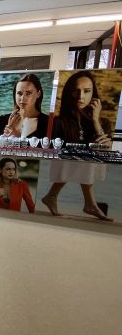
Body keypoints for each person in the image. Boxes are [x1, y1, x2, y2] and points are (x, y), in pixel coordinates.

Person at [41, 70, 113, 221]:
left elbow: (104, 147)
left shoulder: (103, 122)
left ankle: (53, 196)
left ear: (93, 95)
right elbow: (53, 147)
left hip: (85, 160)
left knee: (88, 153)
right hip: (63, 161)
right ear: (70, 93)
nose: (81, 96)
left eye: (87, 91)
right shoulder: (59, 122)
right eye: (76, 91)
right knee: (82, 154)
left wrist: (95, 120)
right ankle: (89, 204)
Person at [0, 73, 50, 138]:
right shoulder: (2, 120)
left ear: (38, 94)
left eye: (28, 93)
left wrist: (16, 137)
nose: (23, 98)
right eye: (19, 93)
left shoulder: (48, 122)